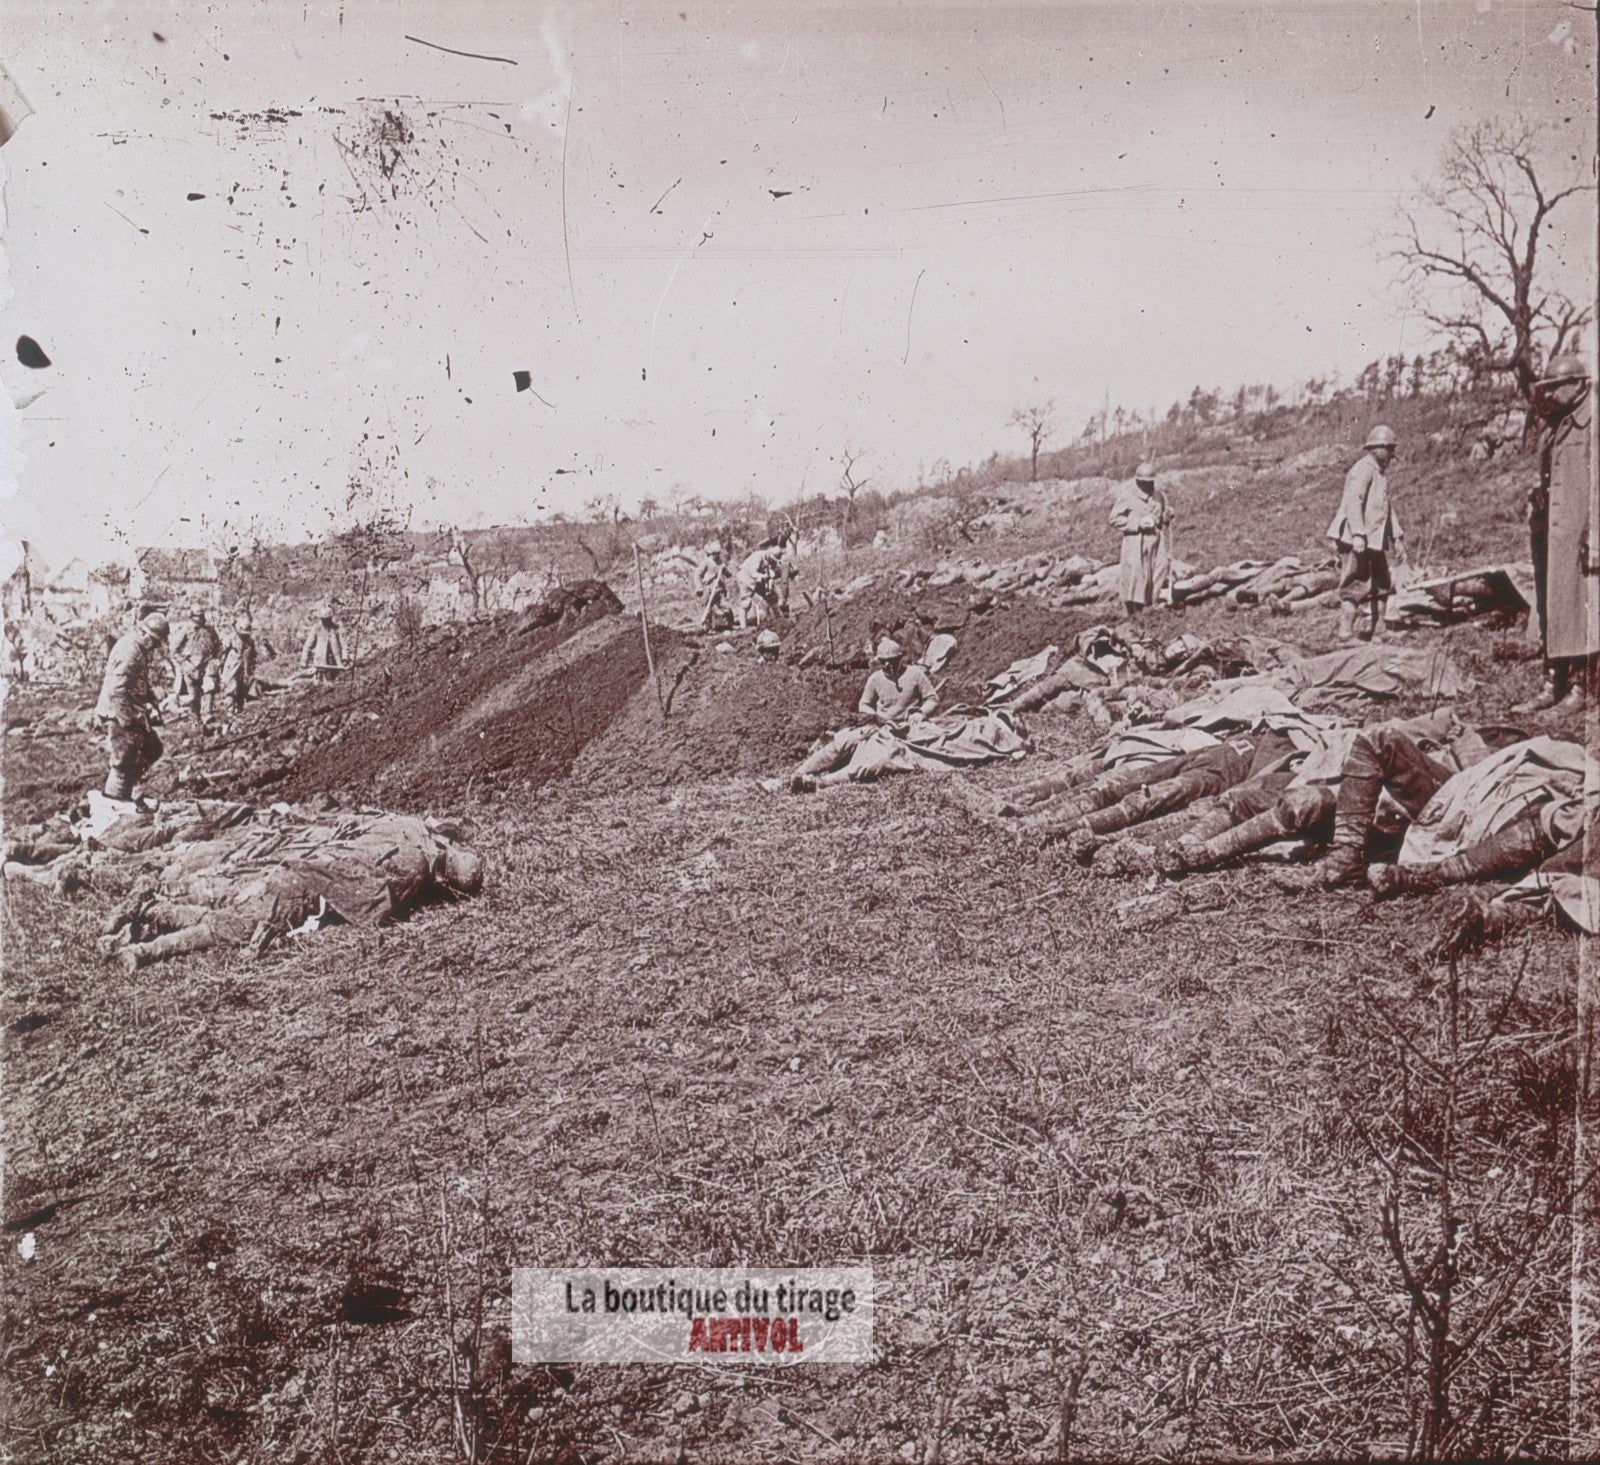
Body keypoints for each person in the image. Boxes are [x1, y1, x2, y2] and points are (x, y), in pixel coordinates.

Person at [106, 813, 486, 970]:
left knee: (226, 909)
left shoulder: (410, 825)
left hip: (298, 860)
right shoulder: (413, 870)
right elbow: (373, 911)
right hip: (302, 883)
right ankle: (145, 945)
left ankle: (151, 909)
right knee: (229, 928)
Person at [1519, 353, 1595, 710]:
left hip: (1583, 534)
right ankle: (1554, 681)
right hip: (1553, 531)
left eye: (1556, 387)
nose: (1548, 394)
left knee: (1581, 608)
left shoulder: (1594, 420)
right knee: (1554, 606)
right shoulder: (1555, 423)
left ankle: (1581, 686)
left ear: (1579, 384)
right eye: (1545, 388)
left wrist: (1594, 535)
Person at [789, 638, 939, 791]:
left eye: (892, 661)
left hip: (906, 730)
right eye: (883, 661)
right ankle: (799, 772)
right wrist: (874, 716)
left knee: (875, 759)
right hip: (880, 727)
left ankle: (822, 782)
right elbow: (864, 704)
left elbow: (932, 699)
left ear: (900, 659)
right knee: (843, 742)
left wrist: (920, 713)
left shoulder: (915, 674)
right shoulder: (875, 678)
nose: (887, 665)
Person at [1328, 425, 1407, 641]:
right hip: (1358, 539)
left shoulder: (1380, 474)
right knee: (1355, 583)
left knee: (1382, 583)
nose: (1392, 455)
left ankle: (1379, 630)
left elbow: (1386, 508)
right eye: (1389, 449)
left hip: (1375, 539)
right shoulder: (1362, 469)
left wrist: (1397, 537)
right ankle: (1345, 634)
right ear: (1377, 448)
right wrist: (1358, 534)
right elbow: (1354, 502)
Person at [95, 612, 170, 803]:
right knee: (124, 761)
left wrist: (151, 701)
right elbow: (116, 692)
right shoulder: (130, 651)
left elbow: (139, 682)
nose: (155, 646)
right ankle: (114, 803)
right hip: (118, 712)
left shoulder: (138, 648)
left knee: (151, 749)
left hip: (128, 711)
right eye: (154, 641)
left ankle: (125, 794)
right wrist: (128, 721)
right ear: (144, 634)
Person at [1108, 463, 1173, 616]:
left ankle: (1152, 606)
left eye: (1150, 482)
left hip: (1157, 539)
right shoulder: (1127, 496)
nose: (1147, 485)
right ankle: (1134, 611)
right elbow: (1114, 519)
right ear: (1138, 481)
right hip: (1136, 541)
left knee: (1159, 569)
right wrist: (1137, 523)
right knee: (1137, 575)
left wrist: (1167, 516)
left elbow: (1164, 517)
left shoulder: (1160, 495)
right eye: (1144, 482)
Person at [170, 607, 222, 724]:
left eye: (201, 616)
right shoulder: (185, 630)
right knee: (193, 695)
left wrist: (217, 660)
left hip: (207, 664)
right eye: (196, 617)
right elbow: (173, 650)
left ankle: (207, 715)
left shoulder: (210, 630)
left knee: (209, 688)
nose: (199, 619)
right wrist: (183, 662)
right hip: (190, 666)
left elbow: (218, 646)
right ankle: (195, 718)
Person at [735, 540, 785, 628]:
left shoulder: (771, 561)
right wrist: (763, 576)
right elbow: (753, 573)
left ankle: (780, 619)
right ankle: (743, 627)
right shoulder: (758, 556)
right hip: (745, 578)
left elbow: (771, 576)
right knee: (746, 603)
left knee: (771, 597)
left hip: (758, 580)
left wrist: (769, 587)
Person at [219, 612, 259, 714]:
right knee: (231, 687)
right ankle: (230, 709)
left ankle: (240, 708)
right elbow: (221, 651)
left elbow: (252, 655)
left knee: (242, 686)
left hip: (244, 666)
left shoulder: (250, 641)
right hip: (232, 666)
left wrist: (251, 668)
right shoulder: (232, 638)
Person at [695, 541, 733, 633]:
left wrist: (725, 570)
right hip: (708, 588)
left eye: (716, 553)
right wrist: (699, 587)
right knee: (708, 609)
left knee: (726, 607)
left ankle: (729, 625)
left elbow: (728, 575)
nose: (714, 555)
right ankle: (708, 629)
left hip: (720, 588)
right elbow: (697, 574)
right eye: (713, 553)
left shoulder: (721, 562)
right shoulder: (706, 562)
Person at [302, 604, 345, 681]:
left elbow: (344, 644)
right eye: (323, 620)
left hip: (334, 663)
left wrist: (345, 658)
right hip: (320, 662)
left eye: (327, 619)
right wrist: (304, 661)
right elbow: (308, 645)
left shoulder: (336, 628)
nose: (325, 622)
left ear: (330, 618)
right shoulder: (317, 628)